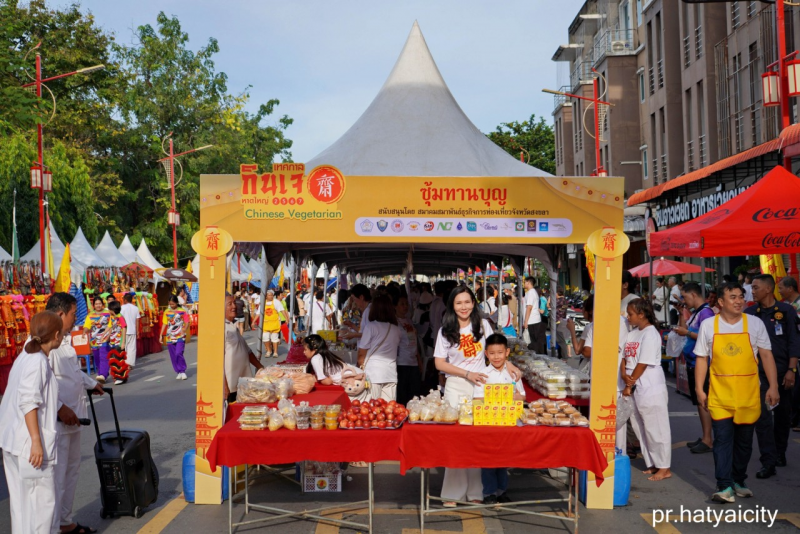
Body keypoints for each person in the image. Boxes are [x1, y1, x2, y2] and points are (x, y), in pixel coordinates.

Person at [433, 286, 521, 506]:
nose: (464, 307)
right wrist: (466, 373)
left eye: (467, 302)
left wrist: (508, 364)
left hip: (481, 387)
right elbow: (439, 363)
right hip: (456, 387)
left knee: (476, 438)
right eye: (459, 303)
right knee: (456, 441)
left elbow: (495, 349)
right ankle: (452, 494)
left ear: (474, 303)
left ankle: (476, 491)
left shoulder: (483, 325)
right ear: (452, 306)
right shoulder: (445, 331)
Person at [694, 282, 780, 503]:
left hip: (748, 395)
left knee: (744, 442)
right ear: (721, 302)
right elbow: (702, 358)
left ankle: (739, 480)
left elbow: (766, 356)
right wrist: (699, 389)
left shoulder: (755, 323)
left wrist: (773, 386)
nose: (739, 301)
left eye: (741, 296)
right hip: (720, 395)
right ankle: (724, 485)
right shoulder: (709, 325)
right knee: (722, 440)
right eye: (732, 297)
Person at [44, 294, 104, 534]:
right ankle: (52, 525)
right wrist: (59, 407)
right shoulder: (45, 341)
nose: (74, 319)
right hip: (58, 420)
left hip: (74, 416)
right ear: (60, 314)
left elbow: (73, 373)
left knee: (71, 471)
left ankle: (65, 521)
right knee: (57, 476)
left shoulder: (64, 339)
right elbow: (42, 382)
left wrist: (92, 383)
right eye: (72, 314)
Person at [0, 311, 63, 533]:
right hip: (28, 445)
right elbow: (29, 402)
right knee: (40, 507)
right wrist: (36, 441)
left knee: (22, 506)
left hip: (14, 442)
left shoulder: (26, 355)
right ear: (56, 335)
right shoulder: (37, 361)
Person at [745, 274, 799, 478]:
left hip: (783, 371)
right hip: (758, 373)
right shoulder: (750, 313)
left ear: (768, 289)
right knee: (763, 417)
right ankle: (768, 461)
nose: (752, 291)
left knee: (783, 415)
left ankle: (780, 452)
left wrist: (792, 370)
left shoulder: (786, 311)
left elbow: (794, 341)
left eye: (755, 287)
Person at [621, 298, 672, 482]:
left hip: (649, 382)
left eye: (631, 314)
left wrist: (629, 385)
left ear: (641, 314)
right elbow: (624, 357)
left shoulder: (651, 334)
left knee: (655, 425)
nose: (628, 317)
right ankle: (652, 462)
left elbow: (642, 363)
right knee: (639, 425)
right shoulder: (633, 333)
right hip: (633, 380)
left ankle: (664, 467)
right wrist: (624, 374)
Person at [474, 333, 525, 505]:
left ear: (507, 352)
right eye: (492, 353)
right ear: (486, 354)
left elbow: (522, 396)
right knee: (488, 459)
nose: (496, 357)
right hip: (489, 423)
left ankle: (502, 491)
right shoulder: (483, 374)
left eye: (500, 353)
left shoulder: (513, 373)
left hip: (509, 422)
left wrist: (515, 396)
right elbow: (477, 399)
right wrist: (501, 397)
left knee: (504, 459)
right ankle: (489, 493)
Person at [674, 282, 716, 454]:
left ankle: (708, 440)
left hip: (701, 364)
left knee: (703, 402)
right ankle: (706, 436)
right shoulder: (697, 312)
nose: (684, 300)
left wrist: (687, 333)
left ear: (693, 294)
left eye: (684, 297)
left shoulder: (706, 313)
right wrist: (680, 313)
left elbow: (709, 337)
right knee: (699, 403)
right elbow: (685, 329)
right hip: (693, 363)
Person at [357, 295, 403, 401]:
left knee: (372, 407)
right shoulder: (396, 329)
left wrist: (360, 367)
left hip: (373, 374)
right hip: (390, 374)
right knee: (389, 407)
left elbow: (361, 354)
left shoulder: (370, 327)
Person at [567, 295, 628, 375]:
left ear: (589, 311)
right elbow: (586, 351)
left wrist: (572, 331)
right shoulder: (592, 326)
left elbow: (579, 351)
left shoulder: (622, 322)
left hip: (606, 370)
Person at [223, 296, 264, 401]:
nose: (234, 306)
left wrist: (261, 368)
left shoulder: (233, 326)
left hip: (243, 383)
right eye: (230, 304)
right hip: (230, 386)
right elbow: (218, 361)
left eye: (234, 303)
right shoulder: (222, 328)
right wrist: (224, 385)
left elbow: (247, 351)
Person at [777, 276, 800, 431]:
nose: (779, 291)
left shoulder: (797, 305)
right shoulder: (787, 306)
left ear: (790, 288)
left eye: (781, 288)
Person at [394, 292, 422, 405]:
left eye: (406, 304)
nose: (405, 306)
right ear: (395, 306)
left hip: (413, 361)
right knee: (403, 393)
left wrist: (419, 360)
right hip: (402, 362)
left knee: (414, 393)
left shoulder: (409, 320)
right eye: (402, 304)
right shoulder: (394, 322)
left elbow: (414, 341)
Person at [84, 296, 112, 384]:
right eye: (96, 304)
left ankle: (103, 374)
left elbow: (111, 324)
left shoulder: (108, 313)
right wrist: (85, 331)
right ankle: (103, 373)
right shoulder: (90, 315)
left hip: (105, 338)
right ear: (94, 305)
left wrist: (110, 335)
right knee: (97, 358)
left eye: (99, 303)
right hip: (94, 340)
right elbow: (87, 326)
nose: (98, 305)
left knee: (104, 356)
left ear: (102, 304)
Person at [160, 295, 189, 380]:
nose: (171, 305)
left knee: (178, 353)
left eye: (173, 304)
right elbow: (164, 323)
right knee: (173, 355)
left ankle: (182, 370)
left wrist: (184, 329)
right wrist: (161, 335)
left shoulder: (182, 311)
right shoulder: (166, 312)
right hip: (170, 336)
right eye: (170, 304)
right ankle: (178, 371)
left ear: (176, 302)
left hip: (180, 335)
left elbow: (187, 322)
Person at [106, 300, 130, 385]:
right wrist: (104, 336)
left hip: (119, 341)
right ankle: (121, 377)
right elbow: (109, 327)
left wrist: (123, 342)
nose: (108, 310)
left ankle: (119, 377)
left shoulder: (120, 317)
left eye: (109, 309)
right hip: (113, 341)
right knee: (114, 359)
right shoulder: (112, 317)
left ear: (112, 309)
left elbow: (124, 328)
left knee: (118, 360)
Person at [261, 290, 287, 357]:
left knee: (274, 338)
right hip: (265, 324)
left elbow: (282, 310)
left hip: (275, 323)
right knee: (265, 338)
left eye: (272, 295)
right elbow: (259, 313)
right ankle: (269, 351)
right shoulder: (263, 303)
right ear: (266, 296)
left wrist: (286, 319)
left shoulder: (276, 302)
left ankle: (275, 352)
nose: (271, 296)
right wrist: (253, 322)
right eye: (269, 295)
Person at [523, 277, 544, 353]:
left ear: (528, 282)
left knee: (532, 342)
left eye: (525, 282)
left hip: (532, 320)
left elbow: (529, 307)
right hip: (534, 320)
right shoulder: (532, 292)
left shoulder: (531, 293)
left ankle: (535, 357)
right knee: (534, 341)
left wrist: (526, 321)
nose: (524, 284)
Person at [120, 293, 140, 371]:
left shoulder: (122, 307)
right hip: (132, 330)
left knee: (124, 347)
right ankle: (129, 364)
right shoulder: (136, 308)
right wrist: (137, 331)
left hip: (124, 330)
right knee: (131, 348)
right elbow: (137, 320)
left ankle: (125, 363)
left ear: (125, 300)